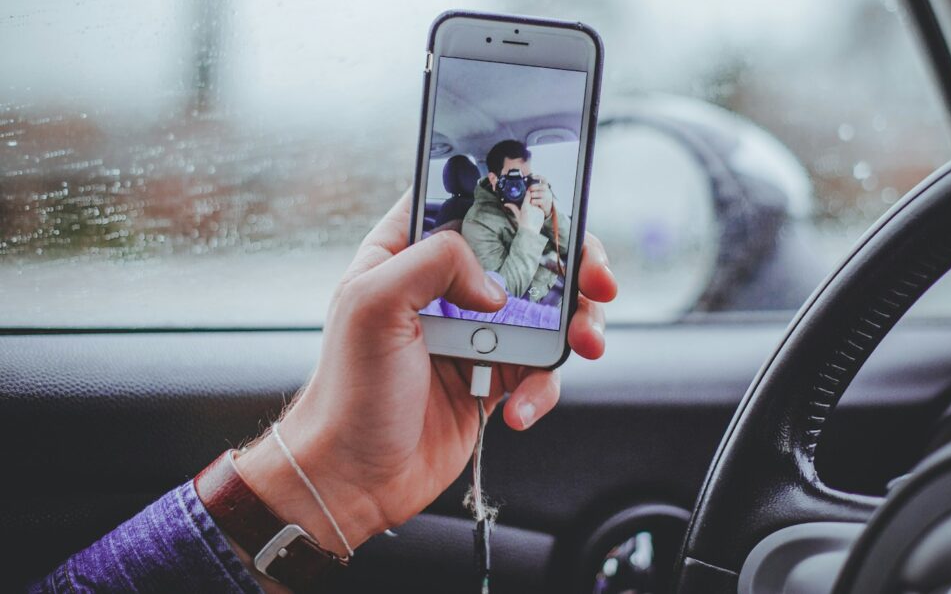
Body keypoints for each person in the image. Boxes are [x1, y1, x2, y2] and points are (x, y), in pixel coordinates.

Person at [28, 192, 617, 593]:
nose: (520, 184)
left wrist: (334, 481)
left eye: (528, 178)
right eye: (508, 173)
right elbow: (503, 282)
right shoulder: (479, 223)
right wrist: (336, 477)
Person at [461, 139, 569, 303]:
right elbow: (503, 295)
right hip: (533, 301)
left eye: (525, 178)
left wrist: (549, 214)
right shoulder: (477, 223)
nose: (518, 187)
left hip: (555, 282)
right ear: (494, 179)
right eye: (512, 178)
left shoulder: (535, 196)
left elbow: (572, 246)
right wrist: (529, 231)